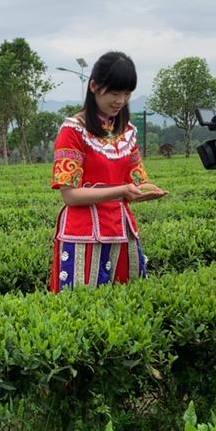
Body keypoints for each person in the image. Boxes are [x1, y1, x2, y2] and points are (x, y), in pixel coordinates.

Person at [50, 51, 167, 292]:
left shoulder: (128, 133)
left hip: (122, 230)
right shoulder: (73, 131)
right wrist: (122, 191)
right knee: (80, 313)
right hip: (83, 233)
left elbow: (136, 180)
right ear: (93, 86)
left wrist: (146, 190)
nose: (121, 100)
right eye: (114, 92)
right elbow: (69, 195)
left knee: (128, 308)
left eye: (126, 93)